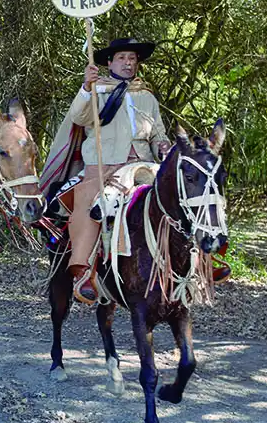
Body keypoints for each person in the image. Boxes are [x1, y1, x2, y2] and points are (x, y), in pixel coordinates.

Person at [39, 37, 169, 304]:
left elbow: (157, 133)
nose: (128, 63)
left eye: (132, 59)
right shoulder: (96, 91)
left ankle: (193, 264)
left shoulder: (146, 96)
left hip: (143, 164)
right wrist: (87, 87)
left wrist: (162, 146)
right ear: (109, 62)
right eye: (121, 58)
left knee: (177, 196)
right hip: (103, 167)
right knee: (90, 203)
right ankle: (84, 271)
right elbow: (78, 117)